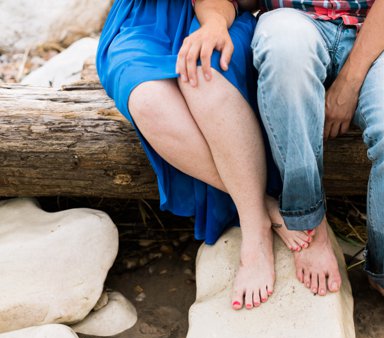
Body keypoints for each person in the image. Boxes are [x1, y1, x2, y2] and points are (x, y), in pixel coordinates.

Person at [240, 0, 384, 338]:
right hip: (292, 21)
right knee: (283, 51)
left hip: (376, 31)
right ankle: (310, 227)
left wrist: (349, 83)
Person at [96, 0, 311, 311]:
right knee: (146, 101)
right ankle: (261, 204)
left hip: (222, 11)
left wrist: (215, 19)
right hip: (142, 21)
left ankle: (255, 234)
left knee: (204, 71)